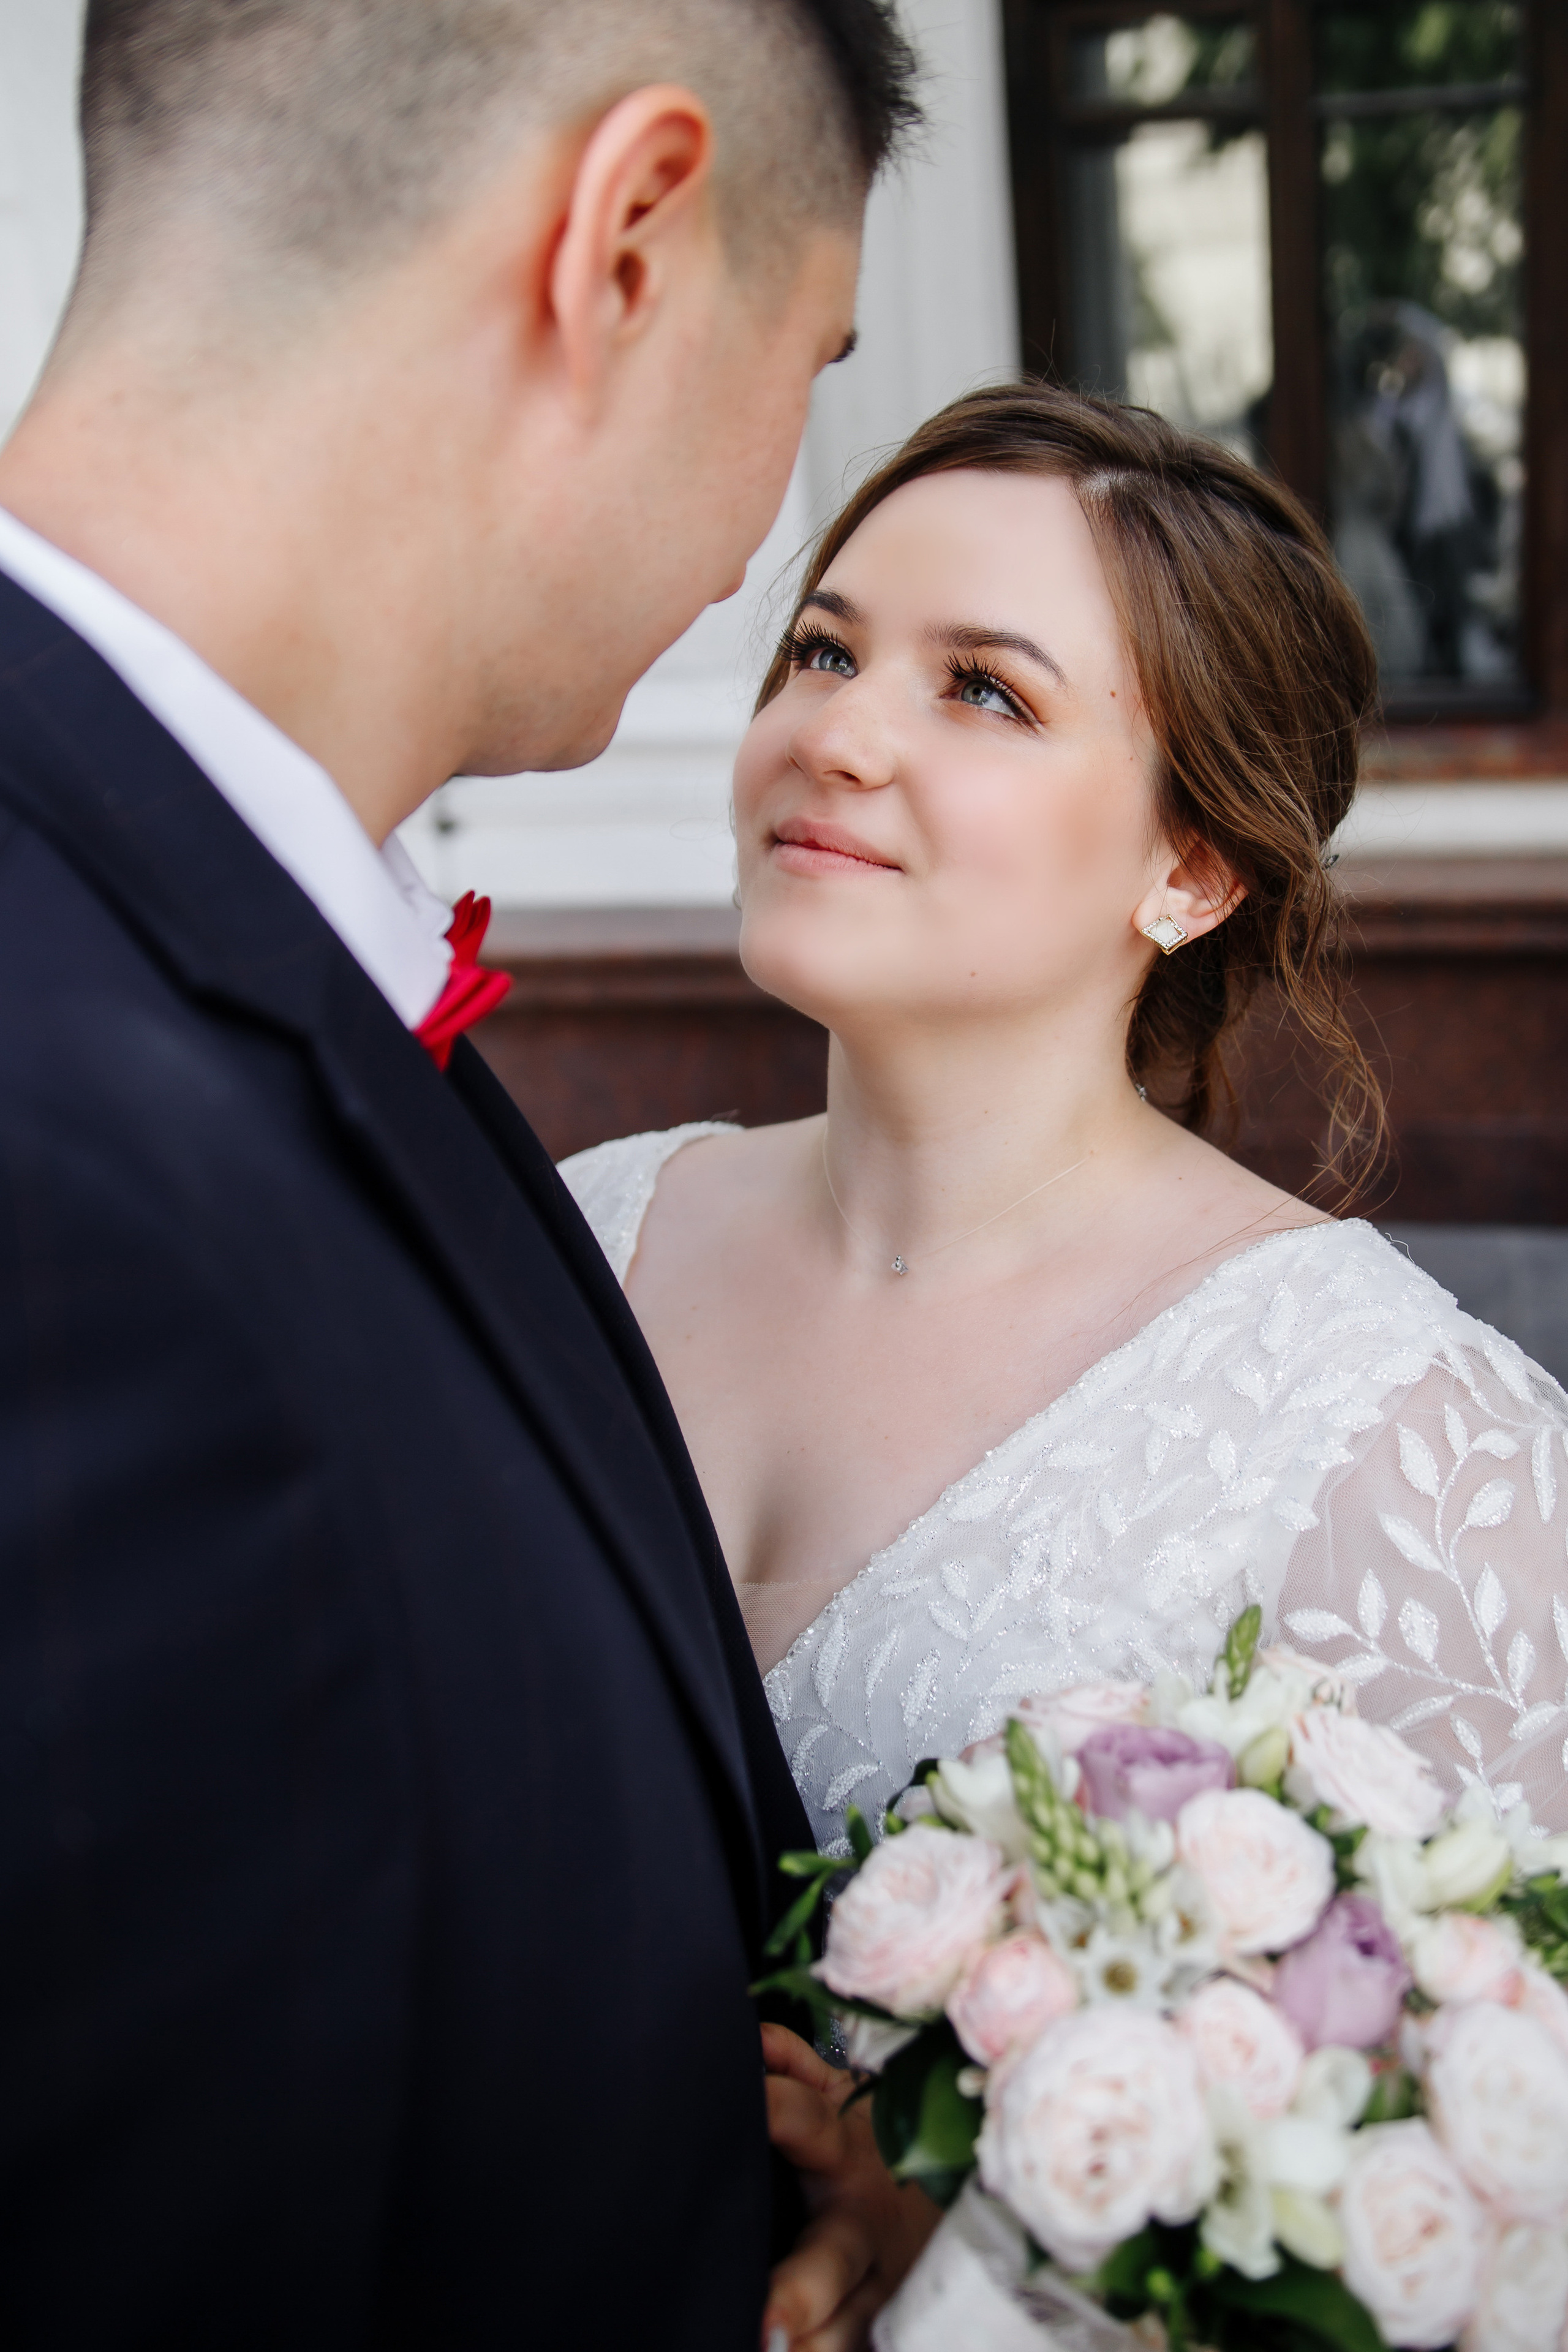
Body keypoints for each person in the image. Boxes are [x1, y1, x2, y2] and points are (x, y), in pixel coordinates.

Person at [0, 1, 924, 2342]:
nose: (762, 533)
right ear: (624, 236)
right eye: (807, 363)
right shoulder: (69, 1167)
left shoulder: (218, 953)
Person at [564, 381, 1568, 1865]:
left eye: (983, 691)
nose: (836, 733)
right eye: (823, 649)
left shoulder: (1412, 1448)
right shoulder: (584, 1228)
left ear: (1194, 869)